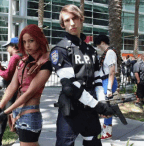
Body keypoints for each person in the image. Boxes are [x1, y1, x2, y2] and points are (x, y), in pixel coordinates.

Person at [49, 4, 115, 146]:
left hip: (90, 110)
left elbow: (97, 79)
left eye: (75, 18)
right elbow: (70, 87)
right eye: (67, 20)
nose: (72, 23)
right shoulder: (59, 50)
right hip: (70, 110)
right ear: (62, 25)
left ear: (81, 19)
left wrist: (103, 102)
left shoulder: (91, 50)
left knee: (93, 143)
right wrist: (97, 105)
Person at [0, 24, 52, 146]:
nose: (27, 45)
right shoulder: (23, 62)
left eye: (31, 41)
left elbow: (30, 93)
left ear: (39, 40)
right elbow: (12, 86)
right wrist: (0, 107)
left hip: (29, 114)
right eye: (24, 42)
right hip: (18, 113)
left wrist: (6, 111)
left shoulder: (45, 64)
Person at [0, 37, 22, 146]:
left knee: (4, 114)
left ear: (13, 47)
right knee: (9, 114)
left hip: (12, 90)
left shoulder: (14, 57)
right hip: (19, 90)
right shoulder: (21, 56)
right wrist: (1, 67)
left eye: (7, 47)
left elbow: (7, 76)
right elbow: (11, 73)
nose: (6, 49)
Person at [94, 35, 118, 139]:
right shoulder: (107, 52)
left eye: (98, 44)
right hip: (105, 81)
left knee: (107, 106)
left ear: (102, 42)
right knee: (105, 105)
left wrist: (109, 88)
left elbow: (111, 72)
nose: (98, 47)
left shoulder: (110, 52)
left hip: (108, 81)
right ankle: (106, 130)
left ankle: (107, 132)